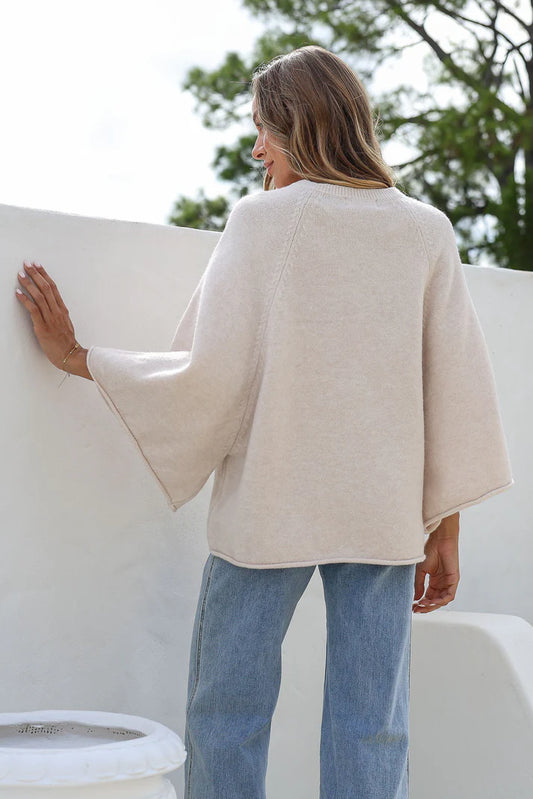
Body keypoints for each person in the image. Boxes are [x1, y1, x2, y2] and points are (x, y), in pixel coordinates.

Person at [15, 45, 513, 799]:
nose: (256, 151)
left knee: (227, 710)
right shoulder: (426, 230)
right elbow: (450, 386)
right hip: (381, 514)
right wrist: (443, 524)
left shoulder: (260, 222)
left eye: (261, 129)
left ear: (298, 126)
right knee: (371, 723)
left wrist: (80, 358)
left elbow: (206, 375)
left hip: (268, 505)